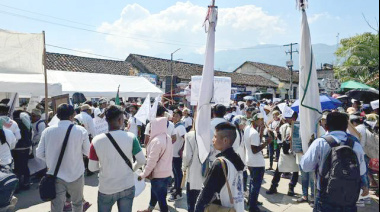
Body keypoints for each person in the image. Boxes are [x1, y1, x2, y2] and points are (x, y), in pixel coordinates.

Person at [300, 112, 369, 212]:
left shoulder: (320, 142)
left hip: (325, 197)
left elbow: (305, 167)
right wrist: (365, 185)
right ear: (346, 127)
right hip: (349, 197)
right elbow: (362, 171)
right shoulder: (355, 143)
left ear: (326, 127)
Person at [89, 105, 146, 212]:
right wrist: (132, 169)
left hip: (106, 187)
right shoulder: (131, 137)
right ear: (120, 120)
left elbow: (92, 168)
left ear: (106, 120)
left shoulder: (96, 141)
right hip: (127, 185)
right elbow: (142, 161)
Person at [37, 104, 91, 212]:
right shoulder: (81, 130)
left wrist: (51, 160)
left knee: (57, 207)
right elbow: (88, 152)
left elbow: (39, 153)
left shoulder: (47, 131)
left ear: (57, 115)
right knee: (77, 203)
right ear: (73, 115)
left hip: (55, 175)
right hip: (76, 173)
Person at [195, 122, 245, 212]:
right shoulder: (237, 159)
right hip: (236, 208)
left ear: (225, 140)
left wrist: (198, 209)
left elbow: (206, 193)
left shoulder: (220, 163)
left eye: (215, 137)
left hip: (222, 208)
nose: (212, 140)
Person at [138, 116, 173, 212]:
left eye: (151, 127)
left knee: (161, 199)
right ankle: (149, 209)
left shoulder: (156, 141)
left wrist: (143, 174)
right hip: (166, 173)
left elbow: (151, 161)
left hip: (158, 175)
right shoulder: (167, 137)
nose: (150, 129)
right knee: (155, 192)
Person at [266, 112, 299, 197]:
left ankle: (291, 187)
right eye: (287, 118)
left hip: (294, 152)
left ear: (294, 118)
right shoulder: (284, 126)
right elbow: (280, 139)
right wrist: (278, 133)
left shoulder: (298, 126)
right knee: (278, 169)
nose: (286, 119)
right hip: (284, 152)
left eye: (289, 117)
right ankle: (273, 186)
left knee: (295, 170)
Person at [245, 114, 271, 212]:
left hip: (250, 161)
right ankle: (253, 207)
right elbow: (255, 150)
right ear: (255, 120)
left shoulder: (248, 129)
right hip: (257, 163)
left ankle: (251, 202)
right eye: (261, 120)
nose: (262, 122)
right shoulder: (254, 132)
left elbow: (255, 143)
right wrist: (266, 143)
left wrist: (260, 131)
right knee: (255, 185)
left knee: (252, 183)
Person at [182, 131, 204, 212]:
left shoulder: (190, 135)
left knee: (192, 203)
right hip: (209, 176)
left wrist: (184, 167)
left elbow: (187, 156)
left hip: (193, 175)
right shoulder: (214, 132)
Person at [11, 110, 32, 191]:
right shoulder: (25, 123)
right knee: (24, 165)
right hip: (25, 148)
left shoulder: (13, 123)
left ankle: (18, 185)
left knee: (16, 167)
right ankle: (26, 183)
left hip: (16, 148)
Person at [169, 109, 187, 202]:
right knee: (175, 172)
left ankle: (178, 192)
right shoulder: (175, 126)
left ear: (180, 117)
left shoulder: (180, 127)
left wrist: (182, 149)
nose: (174, 117)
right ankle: (176, 186)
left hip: (177, 154)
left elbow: (186, 139)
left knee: (178, 173)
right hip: (173, 153)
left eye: (177, 116)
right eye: (173, 115)